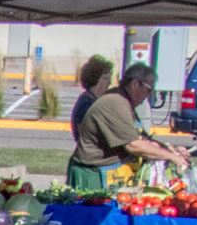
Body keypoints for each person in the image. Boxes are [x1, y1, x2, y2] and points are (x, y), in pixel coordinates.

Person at [69, 61, 190, 192]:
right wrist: (171, 156)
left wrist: (170, 149)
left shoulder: (125, 102)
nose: (148, 96)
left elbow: (142, 138)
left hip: (109, 171)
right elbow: (133, 145)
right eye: (149, 89)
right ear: (135, 84)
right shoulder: (115, 102)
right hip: (93, 175)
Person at [67, 55, 115, 147]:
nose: (109, 83)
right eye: (105, 78)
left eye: (110, 79)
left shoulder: (95, 100)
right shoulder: (86, 103)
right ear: (94, 78)